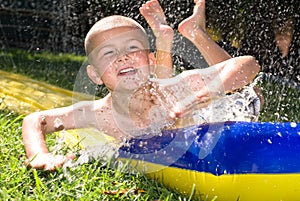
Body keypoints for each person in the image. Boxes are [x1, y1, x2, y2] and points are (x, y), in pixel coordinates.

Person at [22, 0, 260, 170]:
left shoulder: (176, 89)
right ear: (95, 76)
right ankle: (170, 39)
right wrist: (39, 155)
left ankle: (196, 32)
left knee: (248, 92)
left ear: (150, 60)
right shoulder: (99, 113)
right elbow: (35, 120)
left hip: (214, 110)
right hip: (164, 110)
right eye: (109, 53)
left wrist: (202, 96)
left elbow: (248, 64)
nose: (123, 56)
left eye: (132, 48)